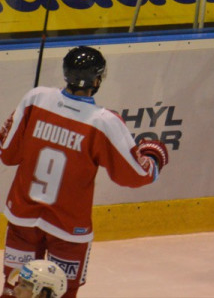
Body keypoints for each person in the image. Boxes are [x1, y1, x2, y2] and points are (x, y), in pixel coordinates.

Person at [0, 46, 169, 298]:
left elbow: (7, 153)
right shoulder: (103, 121)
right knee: (61, 292)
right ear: (97, 80)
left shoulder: (35, 98)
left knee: (16, 289)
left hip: (22, 218)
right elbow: (135, 174)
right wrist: (155, 153)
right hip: (69, 229)